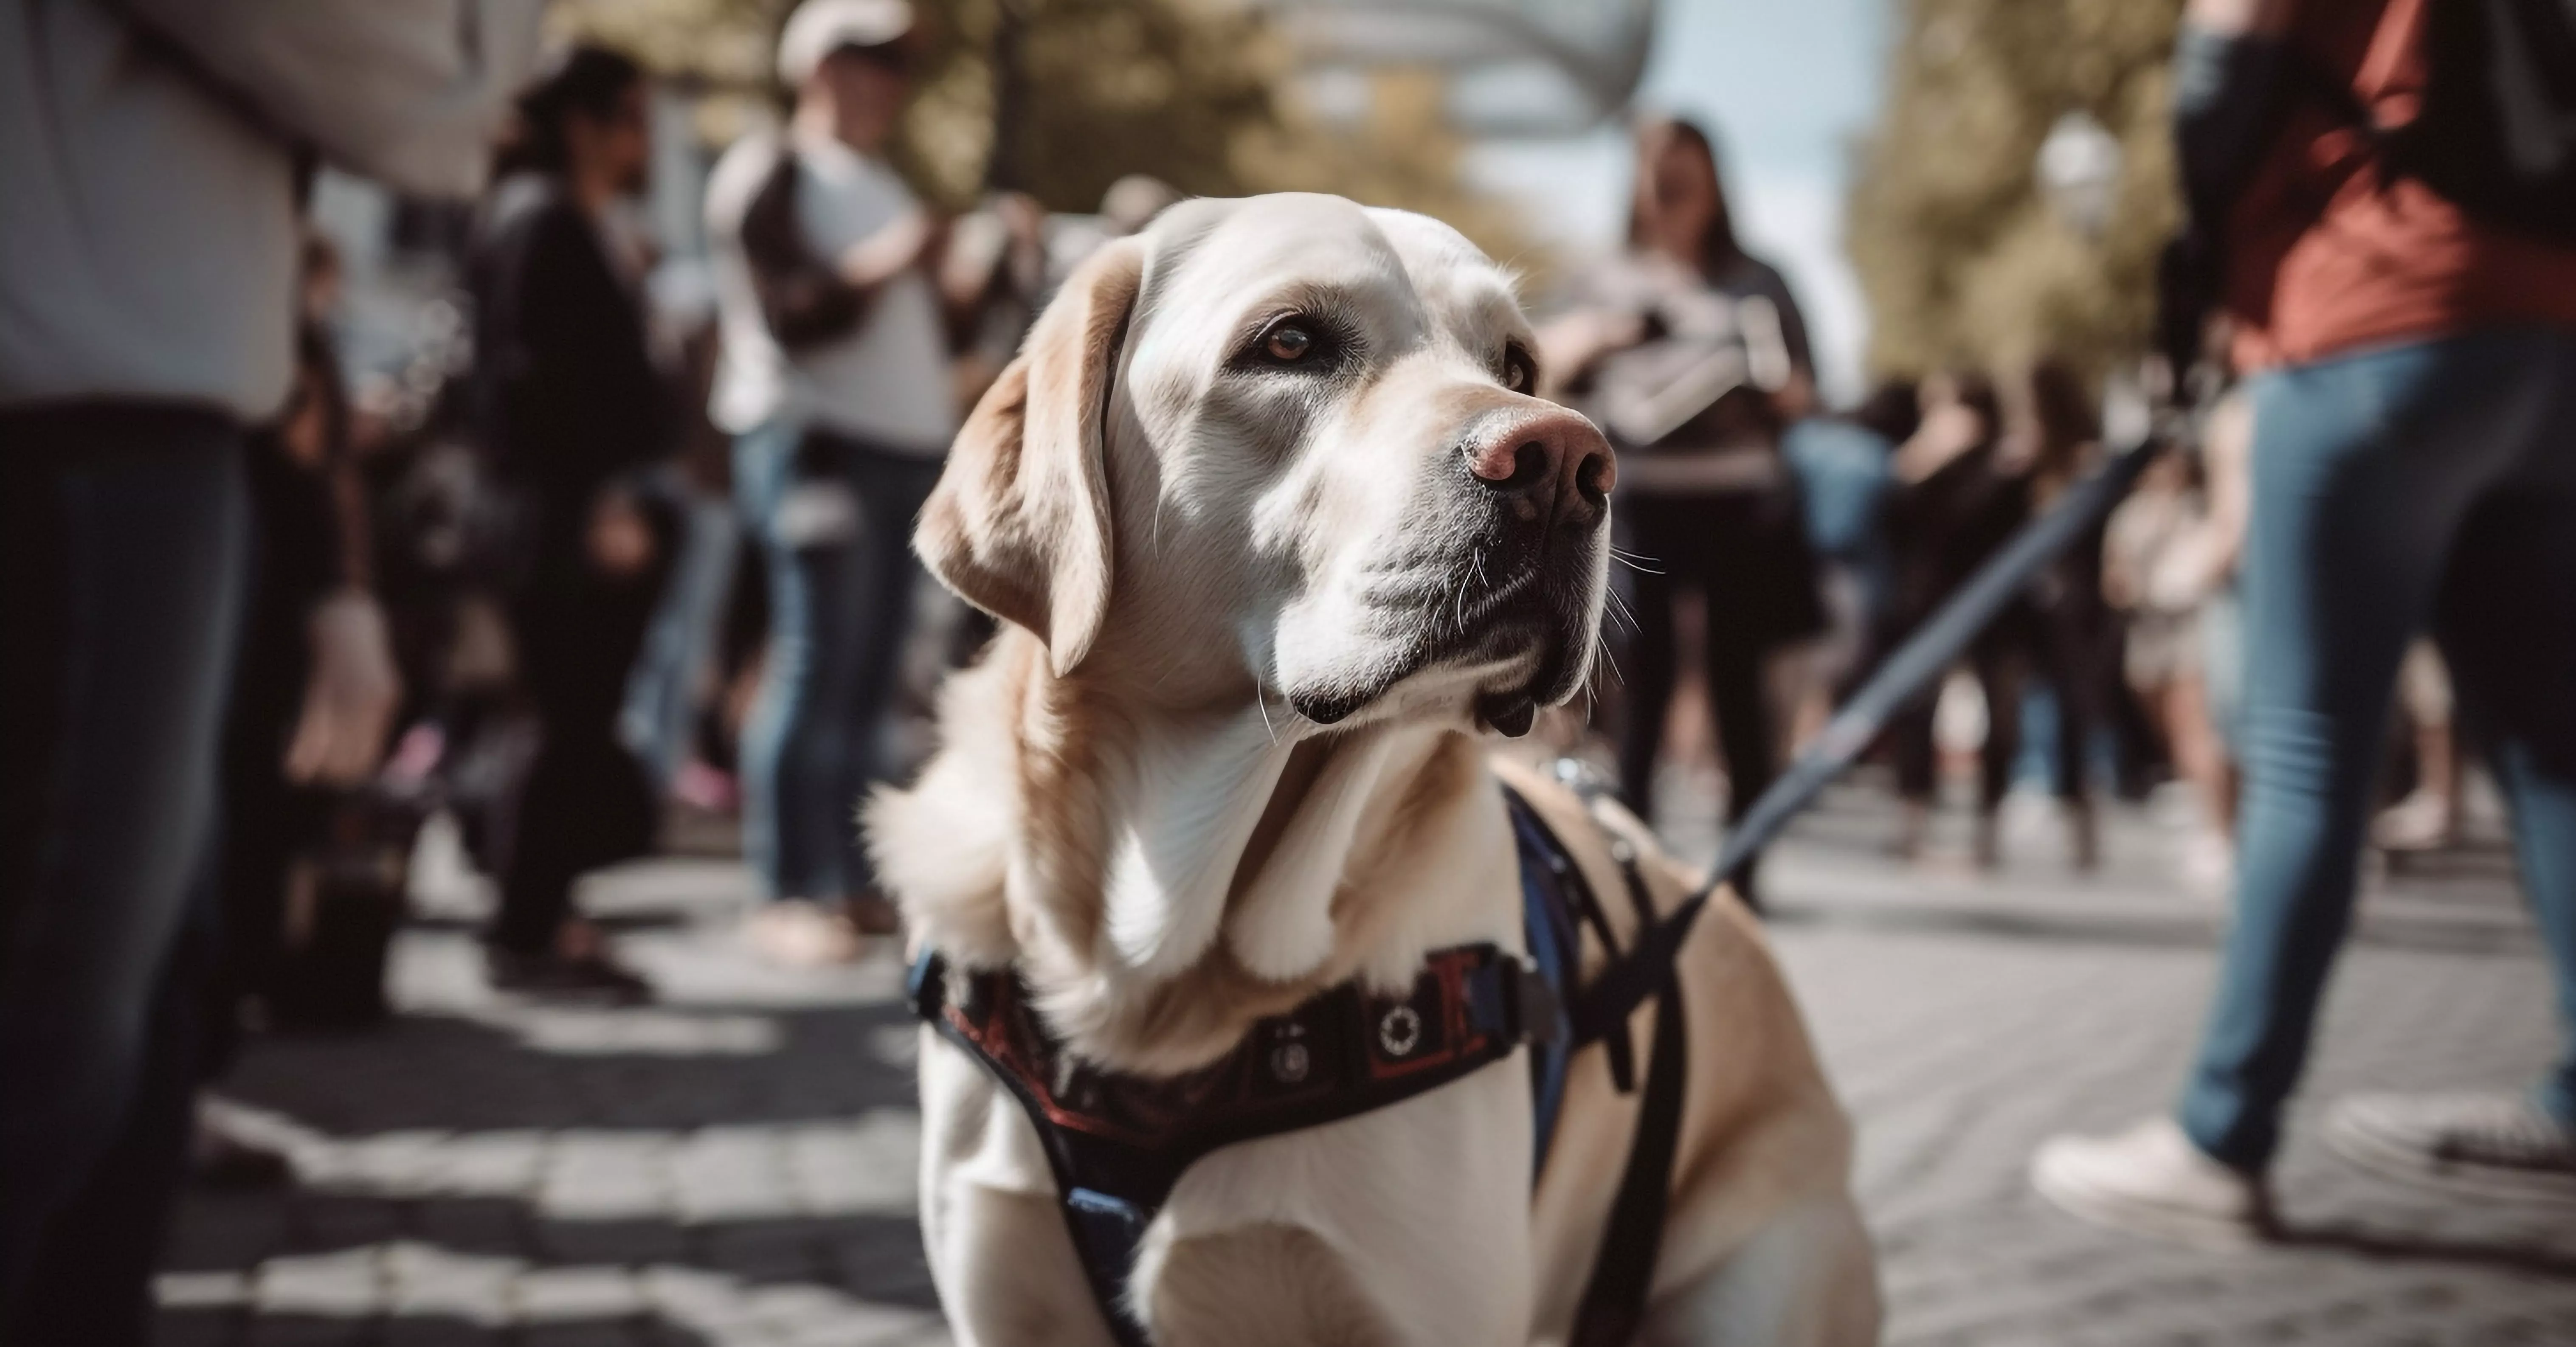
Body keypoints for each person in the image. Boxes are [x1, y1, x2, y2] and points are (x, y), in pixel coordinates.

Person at [0, 3, 539, 1340]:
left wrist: (329, 581)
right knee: (63, 1025)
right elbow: (432, 92)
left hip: (144, 432)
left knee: (135, 1020)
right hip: (80, 433)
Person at [2035, 0, 2576, 1241]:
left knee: (2304, 747)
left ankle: (2223, 1131)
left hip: (2368, 311)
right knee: (2553, 746)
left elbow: (2225, 58)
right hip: (2547, 320)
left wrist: (2208, 242)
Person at [706, 0, 964, 964]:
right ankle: (785, 887)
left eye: (899, 64)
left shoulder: (883, 183)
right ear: (816, 65)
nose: (888, 81)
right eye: (869, 58)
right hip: (819, 444)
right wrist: (895, 258)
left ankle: (848, 882)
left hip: (901, 449)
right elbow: (790, 312)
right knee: (814, 667)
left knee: (868, 679)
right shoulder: (768, 168)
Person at [1542, 115, 1823, 903]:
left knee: (1740, 686)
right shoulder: (1601, 279)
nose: (1668, 186)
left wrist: (1765, 392)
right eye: (1655, 171)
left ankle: (1746, 865)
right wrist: (1605, 337)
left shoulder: (1760, 280)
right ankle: (1633, 859)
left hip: (1739, 503)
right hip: (1642, 500)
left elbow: (1808, 388)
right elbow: (1543, 367)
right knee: (1643, 677)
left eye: (1683, 170)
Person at [468, 45, 676, 1001]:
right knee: (558, 720)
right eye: (631, 117)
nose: (645, 140)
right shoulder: (540, 219)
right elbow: (534, 384)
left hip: (575, 505)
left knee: (573, 717)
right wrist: (601, 493)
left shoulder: (575, 222)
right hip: (560, 513)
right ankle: (526, 926)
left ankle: (545, 911)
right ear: (586, 124)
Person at [1880, 372, 2033, 864]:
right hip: (1928, 603)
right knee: (1916, 708)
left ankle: (1989, 825)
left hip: (1992, 604)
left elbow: (1984, 521)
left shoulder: (2004, 465)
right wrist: (1923, 460)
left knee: (1999, 709)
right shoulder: (1917, 461)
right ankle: (1912, 817)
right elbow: (1891, 520)